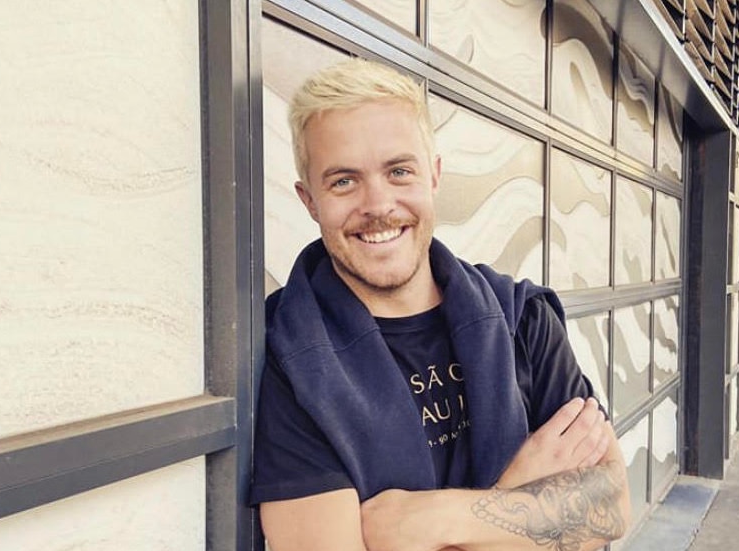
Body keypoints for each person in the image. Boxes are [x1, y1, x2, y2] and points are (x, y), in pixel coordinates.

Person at [250, 57, 631, 551]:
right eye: (344, 180)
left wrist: (423, 522)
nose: (378, 204)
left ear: (433, 176)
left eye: (399, 171)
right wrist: (520, 501)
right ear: (309, 201)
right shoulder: (287, 356)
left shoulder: (523, 317)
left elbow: (611, 507)